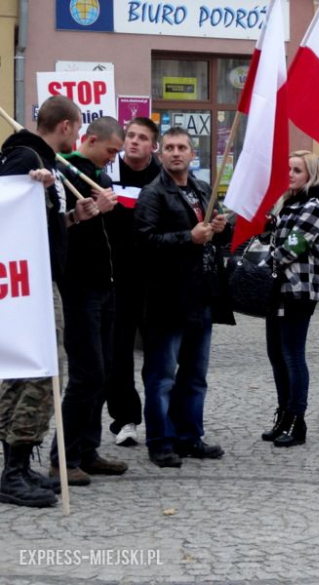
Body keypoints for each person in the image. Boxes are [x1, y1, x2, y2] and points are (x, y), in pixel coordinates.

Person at [0, 95, 99, 507]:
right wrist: (34, 186)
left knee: (30, 371)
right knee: (37, 371)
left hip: (42, 279)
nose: (76, 136)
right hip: (29, 285)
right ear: (64, 126)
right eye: (76, 128)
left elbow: (43, 228)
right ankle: (12, 470)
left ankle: (18, 466)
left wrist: (76, 217)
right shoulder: (23, 158)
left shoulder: (44, 163)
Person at [134, 127, 234, 468]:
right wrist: (187, 238)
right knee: (162, 376)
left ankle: (190, 436)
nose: (177, 153)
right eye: (170, 148)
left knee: (195, 375)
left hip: (201, 295)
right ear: (161, 154)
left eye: (183, 148)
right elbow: (144, 244)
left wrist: (222, 228)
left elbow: (219, 239)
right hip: (166, 299)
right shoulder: (153, 194)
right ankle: (161, 441)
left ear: (193, 155)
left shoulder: (203, 190)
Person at [49, 116, 128, 486]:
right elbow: (64, 231)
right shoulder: (69, 172)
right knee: (87, 375)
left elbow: (109, 233)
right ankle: (61, 457)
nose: (112, 158)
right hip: (79, 287)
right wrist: (88, 213)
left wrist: (109, 211)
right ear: (91, 139)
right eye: (110, 150)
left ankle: (87, 450)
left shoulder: (102, 177)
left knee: (104, 372)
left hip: (105, 285)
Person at [260, 151, 319, 448]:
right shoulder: (285, 204)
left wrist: (265, 261)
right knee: (276, 356)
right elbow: (271, 239)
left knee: (293, 356)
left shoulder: (313, 206)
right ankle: (283, 414)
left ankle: (297, 420)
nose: (290, 174)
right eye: (288, 168)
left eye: (296, 170)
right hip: (276, 289)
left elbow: (294, 245)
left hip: (298, 289)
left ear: (310, 174)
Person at [105, 117, 161, 447]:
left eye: (142, 137)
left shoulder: (162, 178)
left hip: (154, 282)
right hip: (117, 280)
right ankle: (126, 419)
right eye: (130, 136)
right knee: (118, 354)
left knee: (157, 355)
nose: (134, 142)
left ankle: (159, 416)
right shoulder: (106, 176)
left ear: (153, 146)